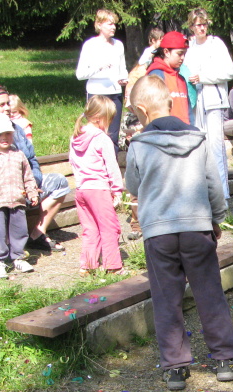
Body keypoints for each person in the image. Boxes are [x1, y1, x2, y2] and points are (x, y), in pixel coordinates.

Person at [126, 75, 233, 391]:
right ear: (169, 103)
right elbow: (213, 184)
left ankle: (175, 367)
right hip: (197, 229)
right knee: (210, 293)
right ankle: (225, 359)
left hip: (159, 234)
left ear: (142, 110)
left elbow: (133, 186)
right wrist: (216, 219)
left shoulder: (138, 145)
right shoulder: (198, 139)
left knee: (167, 299)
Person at [0, 84, 70, 252]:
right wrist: (19, 188)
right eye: (1, 105)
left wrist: (33, 183)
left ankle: (37, 235)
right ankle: (4, 250)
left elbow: (31, 160)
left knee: (59, 182)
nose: (7, 108)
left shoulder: (15, 129)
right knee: (6, 196)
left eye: (8, 103)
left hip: (21, 188)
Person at [0, 114, 39, 279]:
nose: (4, 138)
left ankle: (18, 257)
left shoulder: (19, 155)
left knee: (19, 230)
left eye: (8, 134)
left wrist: (32, 192)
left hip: (17, 200)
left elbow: (28, 176)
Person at [69, 95, 126, 277]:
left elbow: (72, 162)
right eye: (110, 119)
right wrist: (117, 190)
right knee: (110, 227)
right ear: (100, 118)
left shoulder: (75, 137)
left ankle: (87, 265)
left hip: (81, 189)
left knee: (90, 228)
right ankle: (113, 266)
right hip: (98, 189)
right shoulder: (102, 139)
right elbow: (112, 166)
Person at [184, 7, 233, 198]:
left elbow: (228, 72)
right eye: (198, 25)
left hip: (214, 101)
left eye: (204, 24)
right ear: (192, 26)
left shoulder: (216, 44)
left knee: (215, 147)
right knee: (198, 146)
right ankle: (202, 192)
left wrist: (203, 77)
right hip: (195, 102)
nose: (202, 28)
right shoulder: (189, 47)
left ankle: (222, 193)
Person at [123, 26, 164, 242]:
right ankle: (136, 222)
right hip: (139, 124)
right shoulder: (139, 71)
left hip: (160, 126)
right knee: (138, 175)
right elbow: (130, 100)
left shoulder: (163, 72)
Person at [75, 8, 129, 155]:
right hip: (97, 94)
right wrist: (99, 67)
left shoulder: (118, 45)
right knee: (97, 133)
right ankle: (95, 164)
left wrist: (124, 78)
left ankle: (113, 165)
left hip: (115, 93)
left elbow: (122, 68)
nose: (113, 27)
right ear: (99, 25)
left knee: (113, 135)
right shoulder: (90, 45)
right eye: (109, 24)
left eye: (114, 24)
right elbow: (80, 74)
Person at [147, 31, 192, 124]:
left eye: (184, 54)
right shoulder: (156, 76)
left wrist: (192, 128)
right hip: (166, 130)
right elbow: (154, 111)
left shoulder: (181, 79)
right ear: (166, 52)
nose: (183, 58)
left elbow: (189, 111)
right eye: (179, 54)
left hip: (185, 129)